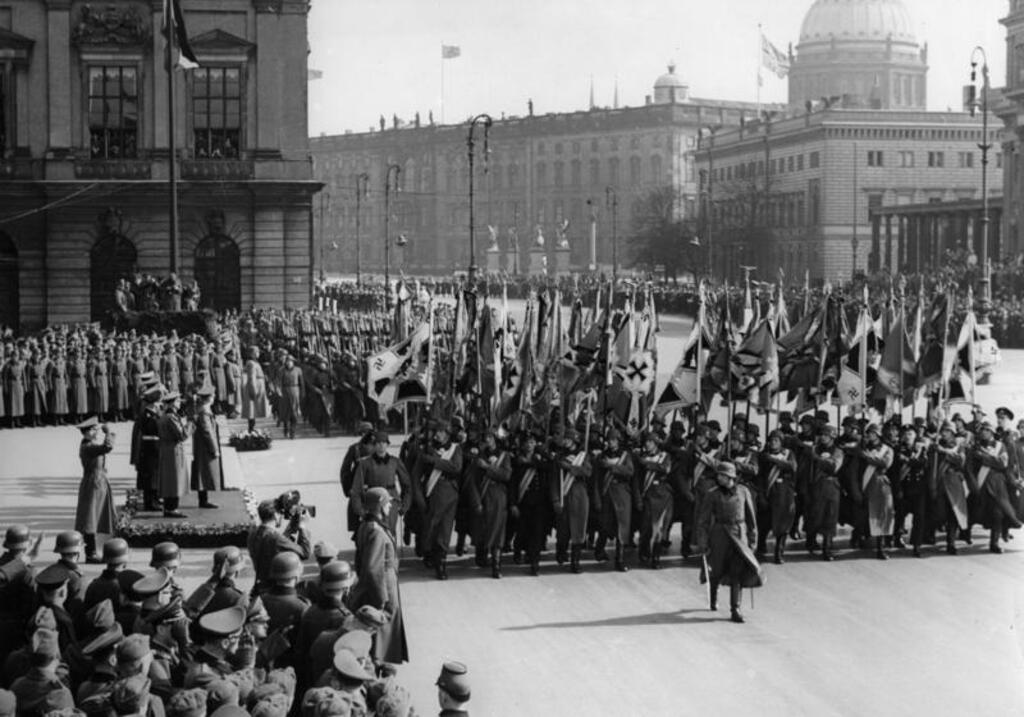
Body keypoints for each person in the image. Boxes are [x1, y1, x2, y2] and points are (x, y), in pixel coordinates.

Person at [695, 462, 763, 624]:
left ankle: (735, 608)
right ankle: (713, 596)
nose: (719, 478)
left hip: (739, 535)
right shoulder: (712, 494)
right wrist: (703, 542)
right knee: (716, 570)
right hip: (719, 535)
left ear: (731, 477)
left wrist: (752, 542)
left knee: (737, 572)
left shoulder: (743, 492)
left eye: (722, 475)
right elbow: (703, 521)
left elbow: (751, 519)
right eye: (718, 475)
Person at [351, 487, 408, 665]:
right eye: (387, 502)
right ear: (379, 506)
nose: (390, 505)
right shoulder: (376, 531)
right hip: (384, 588)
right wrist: (381, 599)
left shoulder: (365, 525)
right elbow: (372, 568)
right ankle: (380, 665)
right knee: (384, 631)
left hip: (380, 584)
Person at [415, 422, 464, 580]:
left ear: (447, 434)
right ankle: (430, 553)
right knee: (432, 527)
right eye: (436, 432)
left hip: (451, 493)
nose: (437, 435)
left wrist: (434, 461)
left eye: (441, 432)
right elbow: (416, 476)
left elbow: (456, 467)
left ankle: (441, 562)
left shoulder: (455, 449)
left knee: (446, 528)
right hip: (434, 493)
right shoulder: (427, 450)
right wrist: (419, 498)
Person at [465, 430, 512, 578]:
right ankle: (482, 558)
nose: (488, 440)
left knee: (498, 532)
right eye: (486, 438)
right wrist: (476, 501)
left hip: (498, 497)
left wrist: (487, 467)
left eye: (491, 437)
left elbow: (506, 475)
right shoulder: (479, 456)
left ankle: (496, 566)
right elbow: (471, 481)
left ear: (496, 439)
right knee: (483, 530)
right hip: (483, 497)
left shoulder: (504, 456)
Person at [350, 431, 412, 536]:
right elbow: (356, 489)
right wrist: (359, 509)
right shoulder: (365, 463)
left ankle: (391, 552)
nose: (381, 446)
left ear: (388, 445)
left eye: (384, 443)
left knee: (390, 531)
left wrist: (405, 505)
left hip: (391, 500)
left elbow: (407, 485)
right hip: (373, 501)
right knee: (375, 533)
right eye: (378, 443)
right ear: (374, 445)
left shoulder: (395, 462)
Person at [550, 429, 592, 574]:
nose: (565, 441)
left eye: (568, 439)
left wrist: (570, 467)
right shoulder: (559, 457)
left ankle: (576, 561)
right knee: (563, 529)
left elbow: (587, 472)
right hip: (564, 495)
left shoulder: (583, 456)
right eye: (565, 439)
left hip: (579, 496)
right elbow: (554, 479)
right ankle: (561, 551)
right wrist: (555, 499)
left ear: (574, 441)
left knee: (578, 529)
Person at [248, 499, 312, 594]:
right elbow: (305, 553)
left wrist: (290, 529)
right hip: (274, 590)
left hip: (260, 585)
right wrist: (303, 527)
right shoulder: (276, 539)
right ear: (275, 515)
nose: (282, 516)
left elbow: (272, 545)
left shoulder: (253, 534)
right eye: (280, 513)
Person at [76, 417, 116, 563]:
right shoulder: (88, 446)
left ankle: (93, 551)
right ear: (86, 432)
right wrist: (109, 433)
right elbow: (107, 447)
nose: (96, 432)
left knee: (95, 518)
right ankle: (91, 554)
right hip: (93, 484)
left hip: (98, 483)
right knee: (90, 520)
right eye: (93, 430)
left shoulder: (89, 444)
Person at [157, 392, 192, 519]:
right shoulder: (171, 417)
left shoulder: (166, 416)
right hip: (173, 451)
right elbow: (182, 435)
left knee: (169, 480)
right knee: (174, 480)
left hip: (168, 449)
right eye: (177, 401)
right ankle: (172, 508)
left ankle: (169, 507)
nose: (179, 403)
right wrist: (190, 425)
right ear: (172, 403)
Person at [191, 386, 221, 509]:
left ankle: (204, 499)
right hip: (205, 449)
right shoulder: (204, 412)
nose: (214, 398)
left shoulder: (203, 410)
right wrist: (214, 449)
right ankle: (203, 501)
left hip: (202, 447)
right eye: (213, 396)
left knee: (204, 473)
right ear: (208, 398)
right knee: (204, 473)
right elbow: (207, 432)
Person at [278, 355, 303, 440]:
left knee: (294, 413)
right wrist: (279, 392)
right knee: (286, 413)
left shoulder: (298, 370)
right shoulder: (282, 370)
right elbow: (279, 382)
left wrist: (303, 393)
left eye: (290, 361)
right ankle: (286, 429)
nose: (288, 363)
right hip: (285, 392)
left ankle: (293, 432)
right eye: (287, 361)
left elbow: (301, 383)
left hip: (295, 391)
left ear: (293, 362)